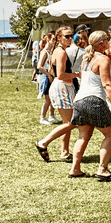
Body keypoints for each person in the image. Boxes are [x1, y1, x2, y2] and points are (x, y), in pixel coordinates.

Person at [68, 31, 111, 180]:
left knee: (83, 136)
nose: (109, 42)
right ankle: (102, 169)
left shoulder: (87, 58)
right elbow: (106, 84)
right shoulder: (103, 59)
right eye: (108, 40)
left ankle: (75, 169)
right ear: (102, 43)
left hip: (79, 100)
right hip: (94, 100)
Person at [35, 26, 80, 162]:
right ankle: (43, 143)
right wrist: (77, 74)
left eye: (71, 35)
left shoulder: (58, 50)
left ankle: (65, 152)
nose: (70, 38)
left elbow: (54, 72)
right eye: (67, 36)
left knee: (68, 122)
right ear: (59, 38)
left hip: (64, 86)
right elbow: (60, 75)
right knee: (71, 123)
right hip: (62, 87)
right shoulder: (61, 52)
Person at [37, 33, 60, 124]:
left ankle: (51, 115)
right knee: (48, 99)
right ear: (48, 40)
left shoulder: (50, 51)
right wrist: (49, 75)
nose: (55, 41)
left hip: (50, 76)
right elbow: (39, 66)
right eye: (53, 39)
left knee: (52, 97)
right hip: (46, 77)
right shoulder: (44, 52)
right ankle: (42, 117)